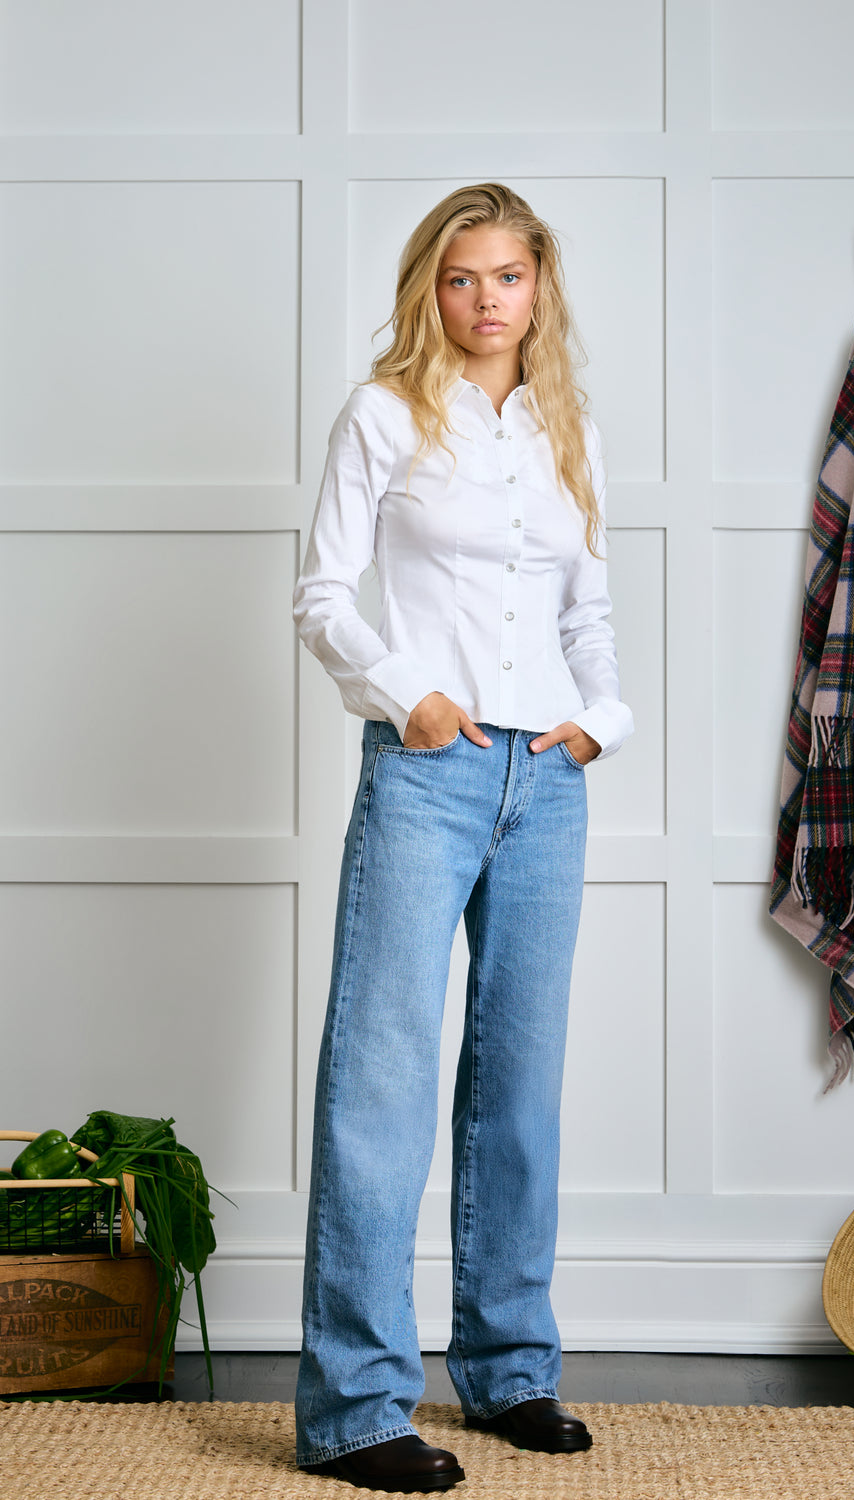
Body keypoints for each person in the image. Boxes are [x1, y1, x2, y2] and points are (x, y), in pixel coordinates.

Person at [292, 182, 633, 1493]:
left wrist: (600, 721)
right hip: (428, 769)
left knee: (519, 1082)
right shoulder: (383, 414)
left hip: (547, 777)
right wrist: (410, 699)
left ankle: (509, 1373)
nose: (486, 299)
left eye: (508, 275)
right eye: (460, 276)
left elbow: (586, 602)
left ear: (540, 288)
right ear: (428, 290)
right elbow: (323, 592)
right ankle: (356, 1412)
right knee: (379, 1083)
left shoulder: (567, 426)